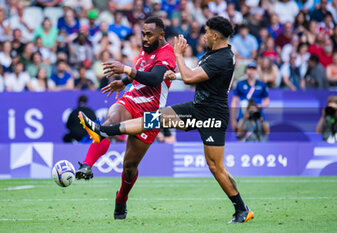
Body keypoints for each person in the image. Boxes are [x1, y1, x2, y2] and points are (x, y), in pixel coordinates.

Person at [78, 16, 254, 223]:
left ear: (215, 36)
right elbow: (196, 75)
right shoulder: (214, 54)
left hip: (213, 115)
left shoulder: (222, 57)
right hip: (198, 108)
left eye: (206, 32)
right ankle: (104, 131)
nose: (204, 35)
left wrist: (178, 55)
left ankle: (242, 209)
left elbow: (190, 78)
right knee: (155, 119)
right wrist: (175, 76)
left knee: (216, 167)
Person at [74, 16, 177, 219]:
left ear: (161, 35)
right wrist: (123, 81)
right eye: (143, 34)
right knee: (108, 124)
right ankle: (87, 166)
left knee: (129, 167)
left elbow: (155, 78)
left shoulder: (167, 54)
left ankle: (121, 198)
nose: (145, 38)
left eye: (149, 35)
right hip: (130, 100)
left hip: (151, 114)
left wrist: (126, 70)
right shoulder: (146, 48)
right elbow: (139, 72)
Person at [230, 62, 269, 131]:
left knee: (262, 134)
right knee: (241, 136)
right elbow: (234, 101)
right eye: (249, 69)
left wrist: (259, 106)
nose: (251, 71)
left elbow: (267, 101)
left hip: (258, 115)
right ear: (246, 70)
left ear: (256, 71)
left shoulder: (262, 84)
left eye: (253, 69)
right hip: (243, 115)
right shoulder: (240, 84)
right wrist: (233, 119)